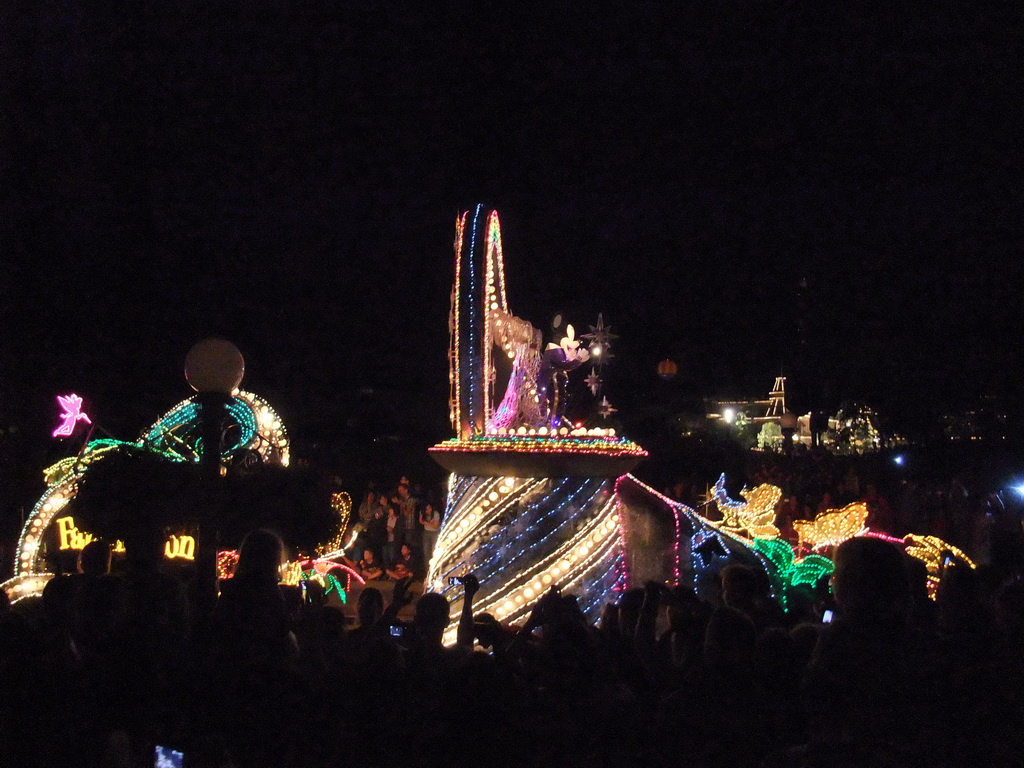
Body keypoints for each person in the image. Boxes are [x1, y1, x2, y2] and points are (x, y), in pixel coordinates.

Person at [419, 502, 441, 567]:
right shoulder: (423, 513)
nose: (429, 510)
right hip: (426, 532)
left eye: (430, 508)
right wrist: (429, 523)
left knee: (434, 552)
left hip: (435, 533)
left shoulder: (435, 514)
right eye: (427, 509)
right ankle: (427, 569)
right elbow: (420, 521)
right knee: (426, 553)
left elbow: (435, 526)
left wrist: (426, 523)